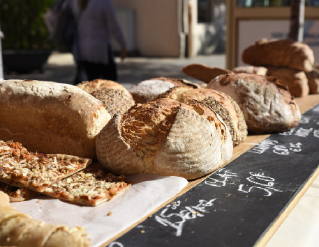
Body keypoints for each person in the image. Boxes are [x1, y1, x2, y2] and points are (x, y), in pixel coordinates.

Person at [70, 0, 127, 84]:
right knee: (110, 83)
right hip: (100, 49)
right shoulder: (103, 2)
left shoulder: (75, 2)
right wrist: (123, 44)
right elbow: (114, 26)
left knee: (91, 82)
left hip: (82, 49)